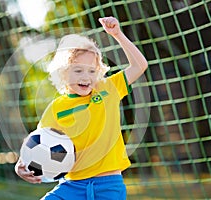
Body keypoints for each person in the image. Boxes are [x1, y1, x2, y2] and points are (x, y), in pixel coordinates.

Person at [15, 16, 148, 200]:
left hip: (109, 185)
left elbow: (140, 65)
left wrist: (117, 34)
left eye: (92, 71)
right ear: (63, 72)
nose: (86, 77)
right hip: (71, 186)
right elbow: (38, 142)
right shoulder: (56, 108)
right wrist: (22, 164)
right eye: (78, 70)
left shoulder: (109, 88)